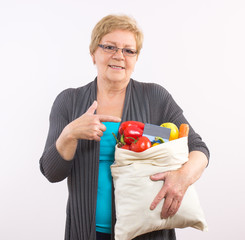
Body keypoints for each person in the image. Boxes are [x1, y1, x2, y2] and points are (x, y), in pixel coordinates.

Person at [40, 14, 209, 240]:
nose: (119, 56)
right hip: (87, 232)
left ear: (136, 57)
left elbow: (196, 147)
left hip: (148, 230)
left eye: (129, 50)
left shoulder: (154, 99)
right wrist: (70, 134)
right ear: (93, 53)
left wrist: (183, 177)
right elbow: (52, 173)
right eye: (109, 47)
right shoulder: (70, 102)